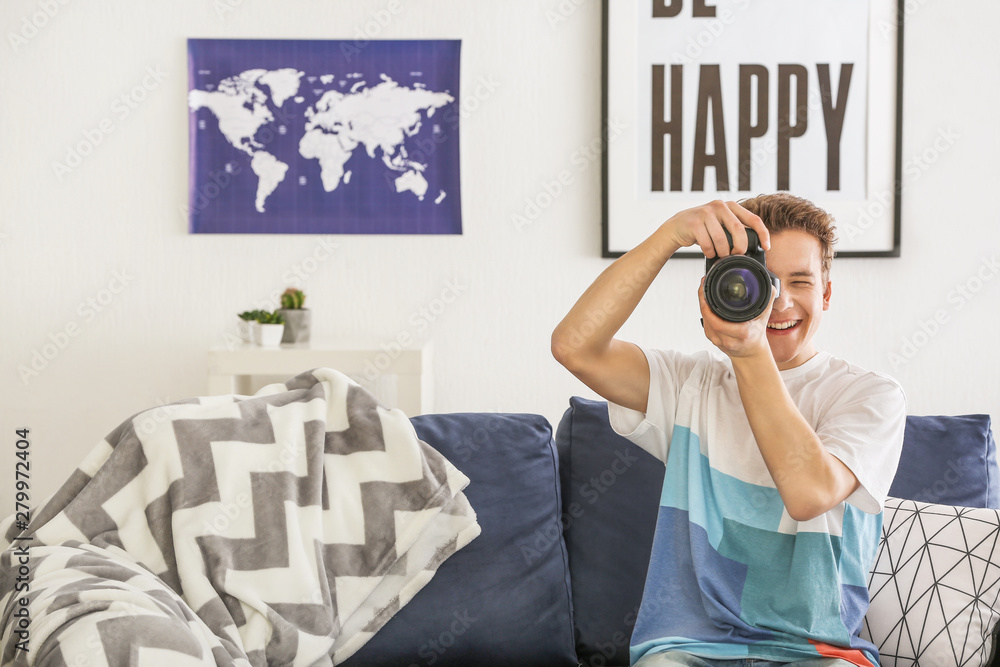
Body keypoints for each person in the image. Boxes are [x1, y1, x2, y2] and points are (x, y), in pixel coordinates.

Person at [551, 195, 906, 667]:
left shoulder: (870, 396)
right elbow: (575, 346)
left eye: (800, 281)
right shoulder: (689, 386)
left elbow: (808, 490)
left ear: (826, 294)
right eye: (762, 279)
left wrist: (747, 350)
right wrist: (670, 236)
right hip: (686, 647)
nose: (779, 300)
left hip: (819, 650)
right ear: (716, 289)